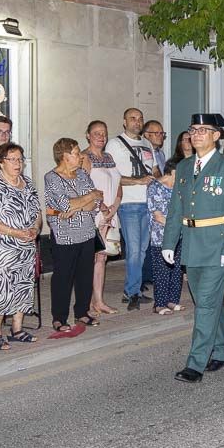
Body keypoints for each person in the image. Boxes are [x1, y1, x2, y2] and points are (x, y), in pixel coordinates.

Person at [162, 114, 224, 383]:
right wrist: (168, 241)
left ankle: (195, 364)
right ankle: (223, 351)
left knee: (206, 306)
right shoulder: (185, 167)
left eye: (203, 130)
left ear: (216, 136)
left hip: (217, 244)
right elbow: (176, 207)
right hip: (191, 243)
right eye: (193, 130)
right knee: (207, 302)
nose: (196, 134)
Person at [0, 142, 42, 349]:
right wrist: (14, 232)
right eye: (12, 159)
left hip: (25, 245)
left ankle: (17, 328)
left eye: (20, 159)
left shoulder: (28, 183)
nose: (17, 163)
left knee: (22, 284)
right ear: (0, 162)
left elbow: (37, 213)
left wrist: (36, 229)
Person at [44, 138, 106, 334]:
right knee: (63, 277)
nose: (81, 157)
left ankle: (82, 312)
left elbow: (94, 204)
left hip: (87, 232)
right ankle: (59, 318)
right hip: (64, 235)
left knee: (84, 276)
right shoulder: (52, 178)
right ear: (64, 156)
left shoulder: (81, 174)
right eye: (77, 153)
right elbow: (66, 205)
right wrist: (89, 197)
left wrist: (80, 203)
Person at [106, 107, 159, 311]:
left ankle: (134, 289)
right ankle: (131, 292)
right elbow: (112, 176)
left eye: (140, 119)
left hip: (148, 203)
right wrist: (138, 180)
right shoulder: (115, 144)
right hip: (129, 204)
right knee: (135, 250)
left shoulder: (146, 143)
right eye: (133, 118)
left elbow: (154, 170)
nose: (137, 122)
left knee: (143, 250)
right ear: (124, 122)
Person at [82, 121, 121, 317]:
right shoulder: (83, 157)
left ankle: (99, 301)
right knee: (90, 257)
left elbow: (118, 183)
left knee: (102, 257)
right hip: (94, 213)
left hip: (110, 213)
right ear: (88, 135)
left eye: (104, 133)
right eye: (96, 133)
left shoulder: (109, 157)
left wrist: (115, 206)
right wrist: (102, 208)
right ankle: (86, 302)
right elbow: (83, 186)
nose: (100, 136)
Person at [147, 161, 184, 315]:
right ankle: (159, 304)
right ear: (172, 171)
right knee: (162, 271)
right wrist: (176, 226)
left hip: (180, 235)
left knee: (177, 270)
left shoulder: (179, 187)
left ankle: (172, 300)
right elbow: (158, 216)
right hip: (160, 236)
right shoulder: (155, 187)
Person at [141, 119, 169, 297]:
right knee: (144, 241)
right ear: (146, 135)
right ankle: (142, 277)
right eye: (156, 133)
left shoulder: (161, 153)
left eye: (161, 133)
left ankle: (150, 274)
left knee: (154, 239)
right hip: (147, 200)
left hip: (161, 199)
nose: (160, 136)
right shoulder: (144, 152)